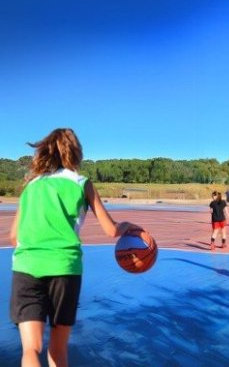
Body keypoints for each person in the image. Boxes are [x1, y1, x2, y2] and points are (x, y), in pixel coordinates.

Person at [9, 128, 141, 367]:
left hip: (26, 267)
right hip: (65, 268)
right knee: (58, 351)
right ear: (77, 152)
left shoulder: (31, 186)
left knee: (30, 349)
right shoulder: (82, 184)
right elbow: (111, 230)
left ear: (46, 151)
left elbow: (13, 236)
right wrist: (127, 226)